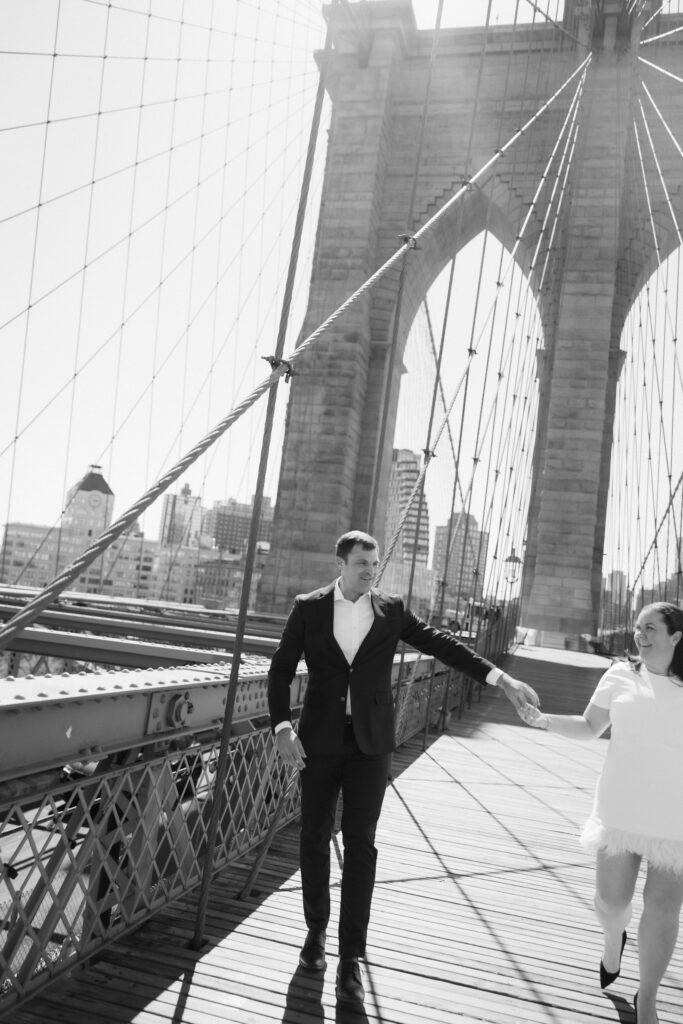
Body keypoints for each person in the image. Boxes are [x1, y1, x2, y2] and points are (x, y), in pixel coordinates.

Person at [268, 529, 539, 1006]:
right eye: (361, 564)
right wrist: (281, 728)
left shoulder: (391, 611)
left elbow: (443, 645)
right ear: (341, 564)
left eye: (374, 564)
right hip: (320, 741)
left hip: (371, 746)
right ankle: (315, 933)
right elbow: (281, 669)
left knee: (361, 843)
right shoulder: (308, 607)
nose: (370, 571)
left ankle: (350, 957)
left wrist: (501, 678)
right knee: (312, 837)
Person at [520, 602, 683, 1024]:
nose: (639, 635)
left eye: (650, 628)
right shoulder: (619, 674)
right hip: (620, 806)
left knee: (663, 909)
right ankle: (614, 941)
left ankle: (647, 999)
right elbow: (591, 727)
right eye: (637, 628)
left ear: (676, 637)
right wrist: (544, 722)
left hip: (675, 815)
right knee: (612, 903)